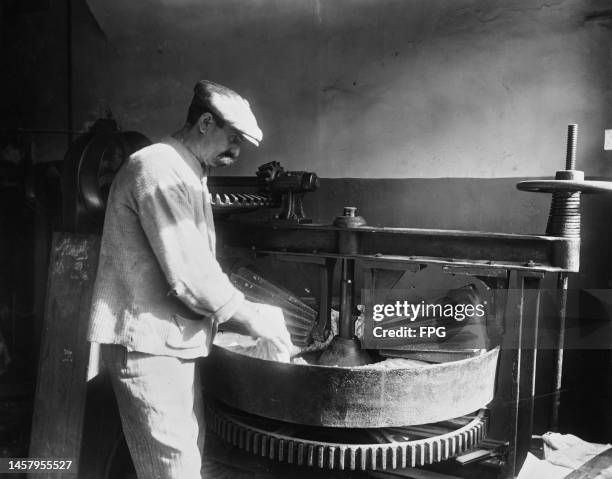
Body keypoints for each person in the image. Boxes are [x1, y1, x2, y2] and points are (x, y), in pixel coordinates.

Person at [88, 80, 293, 478]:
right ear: (203, 122)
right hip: (147, 346)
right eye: (232, 139)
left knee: (186, 458)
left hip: (175, 342)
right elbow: (189, 275)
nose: (236, 152)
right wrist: (253, 317)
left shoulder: (187, 170)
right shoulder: (157, 168)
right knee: (175, 469)